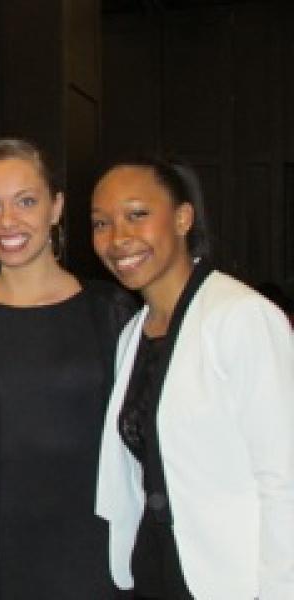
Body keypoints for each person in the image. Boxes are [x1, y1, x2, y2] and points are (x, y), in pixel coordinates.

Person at [0, 138, 134, 599]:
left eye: (26, 201)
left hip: (95, 548)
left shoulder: (111, 309)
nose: (8, 222)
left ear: (56, 207)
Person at [91, 157, 294, 599]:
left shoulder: (241, 316)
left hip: (230, 578)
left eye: (137, 214)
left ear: (183, 218)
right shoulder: (134, 331)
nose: (117, 237)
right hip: (154, 565)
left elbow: (284, 478)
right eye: (101, 223)